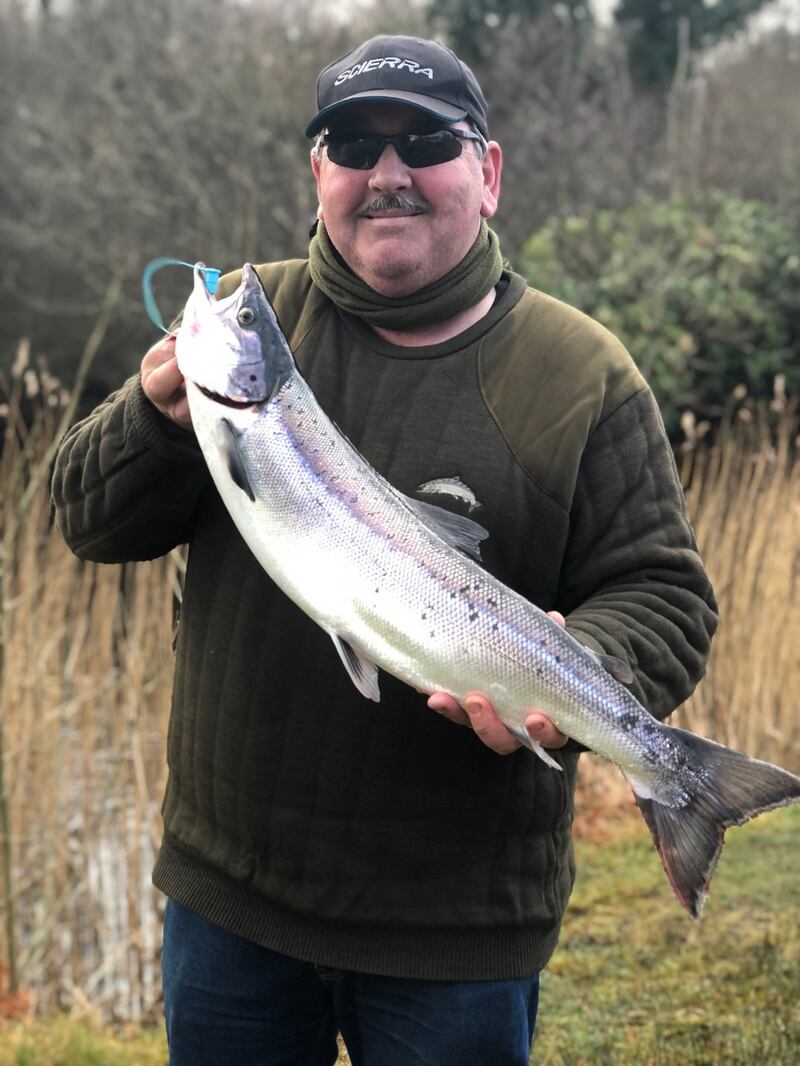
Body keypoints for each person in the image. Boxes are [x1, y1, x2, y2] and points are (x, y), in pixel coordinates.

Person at [51, 33, 718, 1066]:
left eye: (425, 142)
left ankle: (684, 786)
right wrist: (154, 412)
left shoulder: (581, 370)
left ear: (485, 173)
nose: (388, 172)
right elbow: (85, 520)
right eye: (354, 141)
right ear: (317, 171)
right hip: (231, 909)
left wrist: (577, 656)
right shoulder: (248, 321)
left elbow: (664, 593)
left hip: (455, 934)